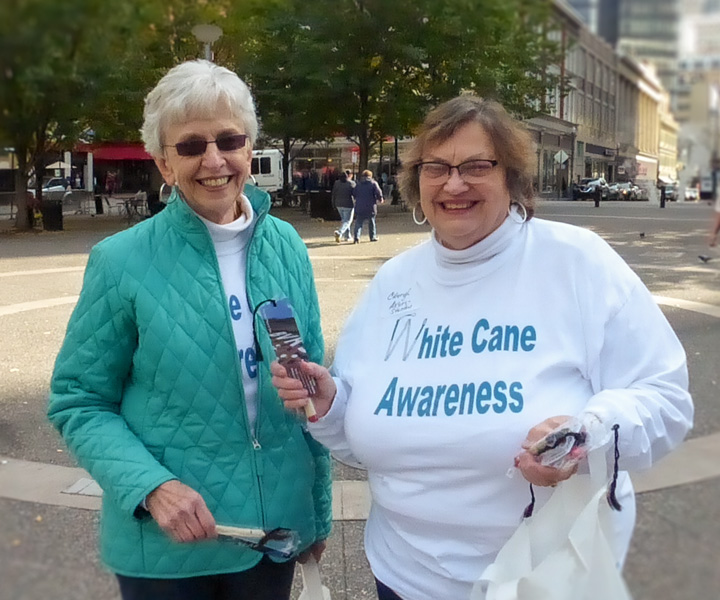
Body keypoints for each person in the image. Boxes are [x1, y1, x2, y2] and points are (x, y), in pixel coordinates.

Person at [271, 95, 693, 600]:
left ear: (511, 177)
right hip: (403, 578)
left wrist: (586, 436)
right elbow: (362, 435)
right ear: (417, 181)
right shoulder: (393, 283)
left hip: (543, 579)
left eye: (476, 166)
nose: (454, 184)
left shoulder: (576, 263)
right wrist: (330, 405)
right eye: (437, 168)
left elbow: (665, 400)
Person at [48, 59, 331, 600]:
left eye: (229, 140)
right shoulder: (121, 260)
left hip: (270, 539)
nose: (214, 159)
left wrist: (315, 516)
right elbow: (77, 400)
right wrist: (153, 488)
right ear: (163, 163)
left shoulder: (288, 247)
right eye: (191, 146)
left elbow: (307, 394)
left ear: (249, 148)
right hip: (167, 546)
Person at [351, 169, 384, 243]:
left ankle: (356, 238)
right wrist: (380, 198)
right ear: (370, 176)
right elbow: (378, 192)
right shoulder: (373, 183)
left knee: (358, 223)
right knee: (371, 222)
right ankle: (372, 237)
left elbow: (354, 193)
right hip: (370, 206)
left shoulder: (358, 184)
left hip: (359, 206)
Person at [331, 170, 355, 242]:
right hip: (348, 204)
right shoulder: (351, 183)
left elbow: (333, 194)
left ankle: (347, 236)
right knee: (348, 221)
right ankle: (340, 232)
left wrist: (333, 203)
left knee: (344, 220)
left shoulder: (336, 183)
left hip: (338, 204)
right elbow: (355, 194)